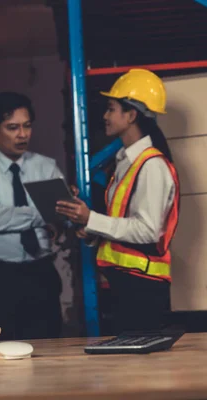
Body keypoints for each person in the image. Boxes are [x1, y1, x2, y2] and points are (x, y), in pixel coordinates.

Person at [56, 68, 180, 334]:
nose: (105, 116)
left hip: (144, 287)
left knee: (140, 371)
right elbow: (122, 224)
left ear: (131, 115)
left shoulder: (152, 166)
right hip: (126, 283)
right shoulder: (126, 162)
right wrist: (88, 227)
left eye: (111, 109)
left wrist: (91, 218)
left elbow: (148, 230)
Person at [0, 91, 65, 340]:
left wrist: (53, 213)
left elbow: (61, 214)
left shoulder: (45, 166)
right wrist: (44, 212)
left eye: (27, 126)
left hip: (40, 274)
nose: (23, 134)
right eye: (13, 127)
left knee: (49, 352)